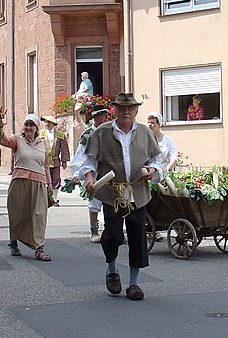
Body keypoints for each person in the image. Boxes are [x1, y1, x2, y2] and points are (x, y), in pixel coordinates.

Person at [81, 92, 164, 301]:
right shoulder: (102, 132)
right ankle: (111, 270)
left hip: (137, 192)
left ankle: (134, 283)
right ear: (115, 110)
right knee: (113, 236)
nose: (126, 112)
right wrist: (89, 178)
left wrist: (153, 171)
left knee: (137, 238)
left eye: (130, 108)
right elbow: (89, 161)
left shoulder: (145, 133)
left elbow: (157, 160)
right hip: (112, 193)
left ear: (136, 111)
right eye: (122, 108)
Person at [0, 113, 54, 261]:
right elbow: (3, 140)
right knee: (18, 213)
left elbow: (45, 165)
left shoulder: (42, 143)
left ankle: (39, 248)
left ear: (36, 128)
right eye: (26, 125)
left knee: (39, 215)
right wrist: (0, 125)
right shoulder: (17, 140)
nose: (28, 128)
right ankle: (14, 242)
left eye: (31, 125)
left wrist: (49, 184)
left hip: (39, 183)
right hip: (20, 182)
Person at [69, 104, 111, 243]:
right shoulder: (88, 135)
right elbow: (80, 155)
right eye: (102, 117)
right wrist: (77, 174)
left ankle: (112, 230)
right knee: (95, 203)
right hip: (94, 174)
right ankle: (94, 231)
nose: (105, 119)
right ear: (95, 118)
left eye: (106, 116)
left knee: (112, 202)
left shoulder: (111, 131)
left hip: (110, 173)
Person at [147, 111, 177, 241]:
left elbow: (174, 155)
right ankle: (151, 226)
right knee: (152, 201)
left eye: (153, 123)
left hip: (164, 174)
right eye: (148, 122)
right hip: (149, 174)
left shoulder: (167, 139)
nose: (150, 125)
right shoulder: (146, 139)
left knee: (167, 200)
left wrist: (169, 167)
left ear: (159, 124)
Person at [39, 115, 70, 206]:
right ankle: (45, 198)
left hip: (55, 161)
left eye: (49, 122)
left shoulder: (60, 135)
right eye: (45, 122)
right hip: (43, 161)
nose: (47, 124)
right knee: (44, 180)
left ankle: (55, 199)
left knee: (56, 180)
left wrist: (64, 161)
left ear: (53, 124)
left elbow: (64, 148)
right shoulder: (40, 134)